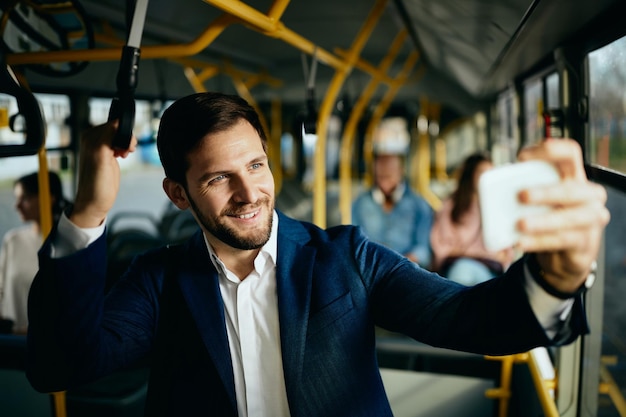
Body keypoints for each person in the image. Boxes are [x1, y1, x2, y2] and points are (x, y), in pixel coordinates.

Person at [26, 92, 609, 417]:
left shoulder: (347, 257)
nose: (249, 192)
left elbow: (472, 319)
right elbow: (61, 366)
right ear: (177, 193)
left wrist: (554, 280)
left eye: (256, 165)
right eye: (217, 180)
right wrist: (85, 214)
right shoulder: (158, 280)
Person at [352, 117, 433, 266]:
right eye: (380, 177)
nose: (384, 184)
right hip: (371, 268)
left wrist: (406, 261)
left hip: (407, 269)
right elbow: (354, 243)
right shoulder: (360, 204)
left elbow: (423, 249)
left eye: (389, 177)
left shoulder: (419, 205)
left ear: (401, 171)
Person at [430, 152, 515, 285]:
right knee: (463, 271)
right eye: (482, 173)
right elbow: (441, 247)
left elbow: (505, 254)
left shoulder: (498, 207)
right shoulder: (451, 206)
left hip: (489, 271)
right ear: (471, 176)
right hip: (459, 268)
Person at [0, 171, 69, 334]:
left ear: (48, 198)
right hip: (10, 338)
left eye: (25, 199)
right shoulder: (13, 240)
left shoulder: (66, 244)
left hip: (48, 340)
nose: (17, 206)